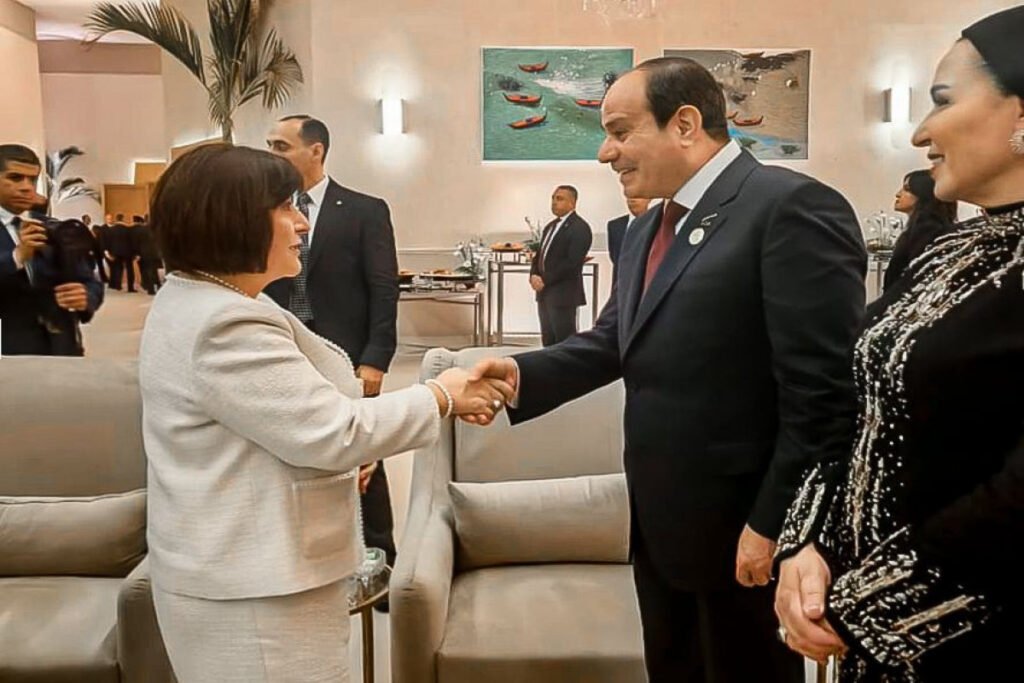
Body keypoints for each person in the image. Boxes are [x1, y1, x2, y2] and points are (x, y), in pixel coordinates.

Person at [471, 57, 867, 683]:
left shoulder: (788, 207)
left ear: (684, 124)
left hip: (743, 531)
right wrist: (517, 375)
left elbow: (823, 397)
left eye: (619, 132)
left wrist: (775, 524)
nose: (605, 153)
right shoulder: (645, 227)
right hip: (660, 521)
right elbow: (614, 340)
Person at [139, 143, 512, 683]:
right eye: (286, 208)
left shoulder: (218, 299)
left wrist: (345, 457)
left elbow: (277, 428)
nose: (302, 224)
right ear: (234, 219)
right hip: (255, 594)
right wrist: (442, 394)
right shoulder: (225, 324)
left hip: (255, 577)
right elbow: (332, 432)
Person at [774, 7, 1024, 681]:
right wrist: (807, 541)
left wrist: (861, 604)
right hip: (872, 643)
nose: (920, 133)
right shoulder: (946, 249)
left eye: (942, 100)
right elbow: (856, 408)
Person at [264, 114, 403, 599]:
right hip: (284, 350)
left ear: (316, 150)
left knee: (364, 451)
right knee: (301, 449)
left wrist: (376, 357)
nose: (272, 155)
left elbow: (383, 287)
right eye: (269, 146)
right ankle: (313, 560)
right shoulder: (266, 211)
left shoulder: (363, 210)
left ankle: (381, 559)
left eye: (281, 146)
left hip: (347, 354)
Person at [0, 144, 103, 356]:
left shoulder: (52, 227)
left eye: (32, 179)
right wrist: (17, 257)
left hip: (62, 347)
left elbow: (90, 280)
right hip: (9, 353)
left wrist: (87, 296)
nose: (27, 187)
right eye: (15, 178)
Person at [529, 185, 593, 346]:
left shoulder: (580, 228)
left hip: (563, 295)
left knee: (564, 342)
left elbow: (572, 263)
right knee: (548, 340)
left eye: (559, 199)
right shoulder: (550, 226)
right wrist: (533, 275)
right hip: (544, 293)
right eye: (553, 198)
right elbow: (539, 255)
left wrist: (545, 279)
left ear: (572, 203)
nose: (554, 202)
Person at [883, 169, 957, 289]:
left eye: (907, 189)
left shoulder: (928, 230)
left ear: (923, 194)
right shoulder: (920, 228)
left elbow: (914, 276)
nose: (898, 194)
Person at [607, 196, 651, 273]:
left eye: (637, 196)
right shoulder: (614, 226)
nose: (632, 200)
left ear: (649, 199)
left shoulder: (659, 224)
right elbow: (614, 256)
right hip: (621, 277)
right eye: (629, 196)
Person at [132, 214, 162, 295]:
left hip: (144, 253)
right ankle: (158, 285)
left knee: (148, 270)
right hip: (155, 253)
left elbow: (137, 242)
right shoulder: (157, 229)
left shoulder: (141, 230)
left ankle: (150, 288)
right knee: (154, 270)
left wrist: (137, 253)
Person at [108, 212, 137, 292]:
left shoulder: (111, 230)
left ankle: (118, 285)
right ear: (122, 219)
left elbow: (109, 242)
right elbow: (132, 241)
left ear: (116, 219)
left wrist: (110, 252)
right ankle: (130, 287)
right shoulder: (128, 229)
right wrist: (134, 252)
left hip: (116, 251)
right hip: (127, 252)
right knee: (129, 269)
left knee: (118, 268)